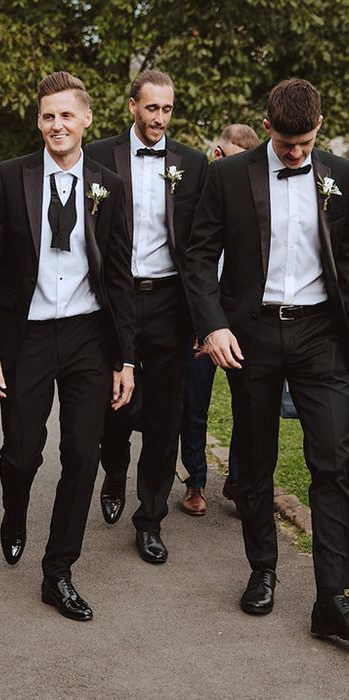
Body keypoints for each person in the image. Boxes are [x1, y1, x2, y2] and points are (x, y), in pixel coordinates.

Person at [184, 79, 349, 641]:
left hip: (321, 336)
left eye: (304, 144)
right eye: (285, 143)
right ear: (267, 125)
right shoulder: (228, 175)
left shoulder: (341, 177)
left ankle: (331, 596)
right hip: (250, 335)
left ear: (319, 127)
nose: (296, 153)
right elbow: (199, 256)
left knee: (333, 461)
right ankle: (263, 571)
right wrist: (213, 325)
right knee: (255, 461)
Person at [0, 72, 135, 620]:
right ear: (38, 121)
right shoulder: (8, 178)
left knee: (83, 455)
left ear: (87, 119)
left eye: (66, 115)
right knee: (21, 452)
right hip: (28, 336)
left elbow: (120, 276)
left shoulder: (109, 183)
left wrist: (124, 357)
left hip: (88, 335)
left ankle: (57, 571)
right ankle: (14, 512)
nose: (56, 125)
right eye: (47, 116)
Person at [83, 70, 207, 564]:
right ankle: (114, 468)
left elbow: (199, 245)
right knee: (111, 402)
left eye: (167, 110)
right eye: (151, 108)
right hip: (114, 298)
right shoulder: (96, 156)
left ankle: (150, 518)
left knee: (166, 413)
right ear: (132, 105)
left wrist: (203, 317)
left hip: (170, 302)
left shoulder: (193, 164)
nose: (160, 118)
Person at [179, 124, 260, 516]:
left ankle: (238, 480)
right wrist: (200, 325)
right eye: (227, 159)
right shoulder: (197, 198)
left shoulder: (255, 201)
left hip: (243, 324)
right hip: (201, 323)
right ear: (216, 154)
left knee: (249, 406)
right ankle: (195, 482)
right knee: (194, 404)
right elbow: (193, 267)